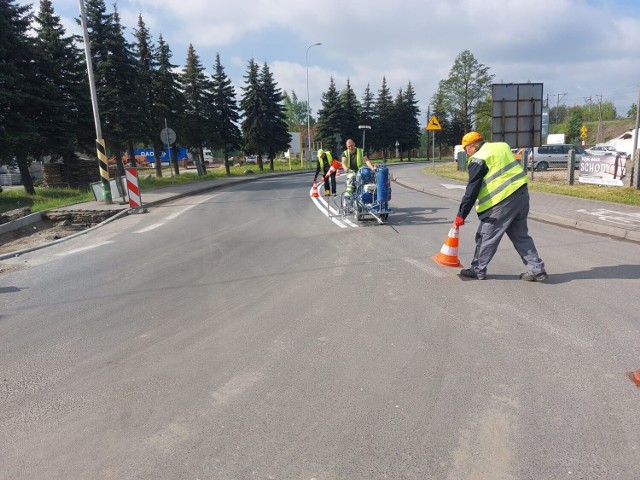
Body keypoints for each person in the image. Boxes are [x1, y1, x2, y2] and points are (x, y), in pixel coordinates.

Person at [454, 131, 547, 282]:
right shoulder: (502, 146)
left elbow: (472, 190)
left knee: (486, 236)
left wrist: (461, 214)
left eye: (466, 148)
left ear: (473, 146)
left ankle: (477, 269)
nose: (466, 152)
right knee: (520, 235)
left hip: (501, 201)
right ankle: (537, 269)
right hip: (521, 195)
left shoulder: (478, 159)